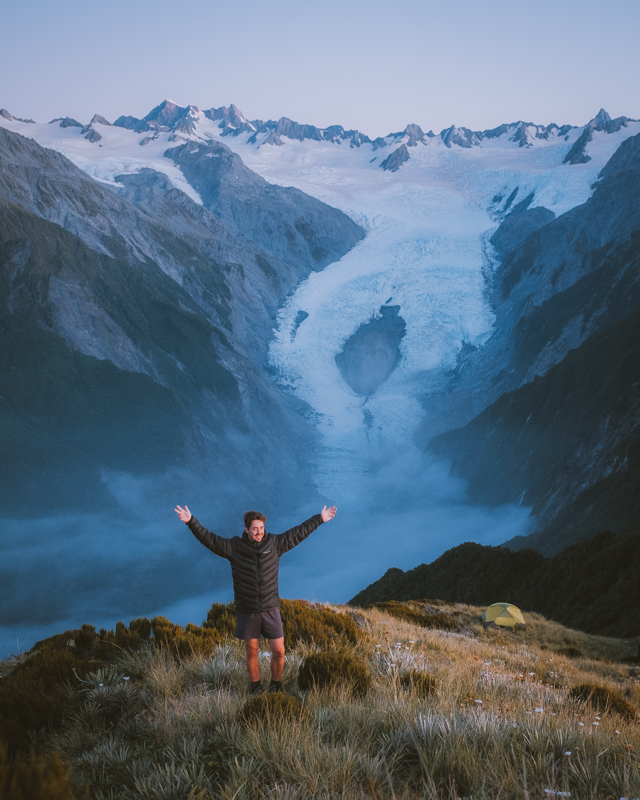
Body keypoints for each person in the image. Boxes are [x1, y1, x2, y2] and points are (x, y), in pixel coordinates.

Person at [174, 502, 337, 694]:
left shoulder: (275, 544)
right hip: (247, 609)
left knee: (279, 651)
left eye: (261, 528)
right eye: (255, 529)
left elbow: (298, 533)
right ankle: (255, 687)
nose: (259, 532)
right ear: (246, 529)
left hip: (270, 608)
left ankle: (275, 685)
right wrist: (191, 521)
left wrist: (320, 519)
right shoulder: (235, 547)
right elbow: (210, 540)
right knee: (251, 651)